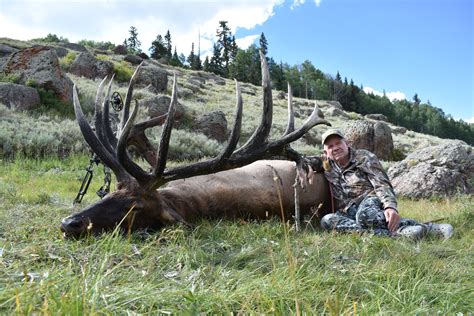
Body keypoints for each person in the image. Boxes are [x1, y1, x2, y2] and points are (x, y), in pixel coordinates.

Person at [301, 128, 453, 240]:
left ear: (346, 143)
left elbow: (381, 182)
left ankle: (430, 229)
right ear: (325, 151)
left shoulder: (364, 157)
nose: (335, 148)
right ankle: (399, 234)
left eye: (338, 143)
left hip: (369, 200)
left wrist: (389, 205)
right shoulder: (326, 163)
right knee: (327, 221)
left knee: (364, 216)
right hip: (347, 211)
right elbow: (303, 160)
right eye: (330, 146)